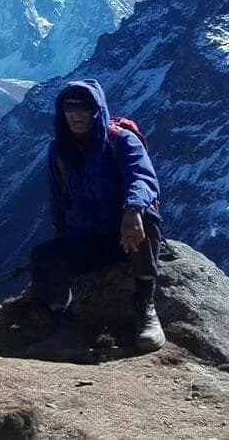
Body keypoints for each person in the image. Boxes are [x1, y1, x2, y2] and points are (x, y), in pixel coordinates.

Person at [29, 79, 165, 355]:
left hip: (124, 235)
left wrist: (133, 210)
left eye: (84, 106)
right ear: (62, 111)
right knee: (44, 256)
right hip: (87, 238)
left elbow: (144, 179)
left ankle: (145, 309)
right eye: (69, 106)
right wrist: (62, 239)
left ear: (96, 110)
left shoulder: (121, 141)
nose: (75, 113)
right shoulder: (59, 150)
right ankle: (66, 327)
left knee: (147, 221)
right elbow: (59, 199)